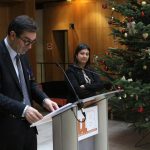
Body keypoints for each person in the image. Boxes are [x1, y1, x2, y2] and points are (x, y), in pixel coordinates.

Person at [0, 15, 59, 150]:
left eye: (33, 42)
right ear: (12, 35)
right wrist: (23, 109)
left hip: (29, 128)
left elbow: (30, 83)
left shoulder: (23, 54)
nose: (30, 47)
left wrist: (44, 99)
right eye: (27, 41)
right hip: (6, 131)